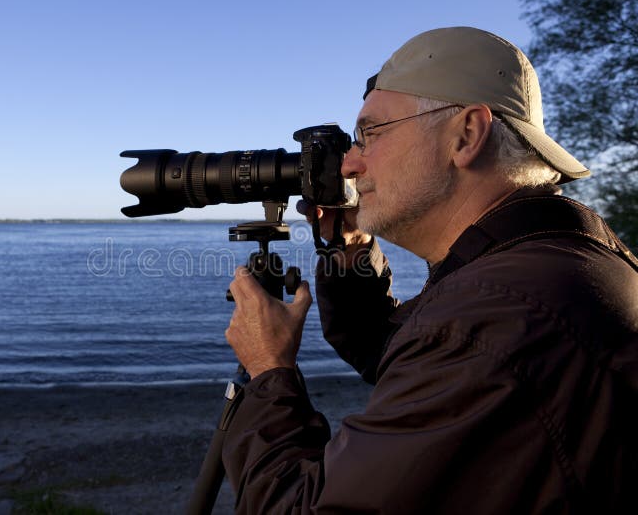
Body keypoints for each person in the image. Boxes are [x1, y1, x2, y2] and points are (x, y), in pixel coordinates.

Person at [222, 27, 638, 514]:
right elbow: (406, 355)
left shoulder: (494, 315)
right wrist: (350, 250)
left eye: (369, 134)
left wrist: (269, 370)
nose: (351, 165)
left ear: (465, 135)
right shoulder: (556, 262)